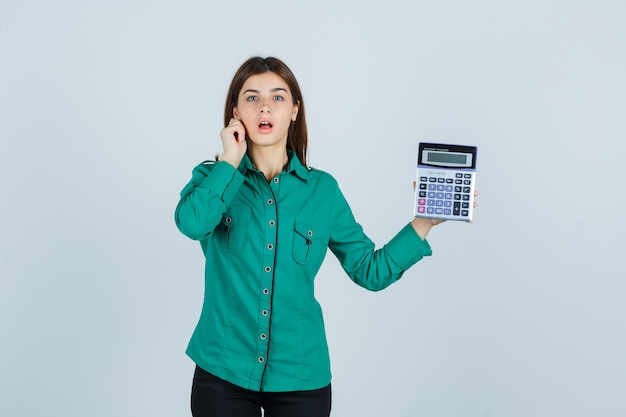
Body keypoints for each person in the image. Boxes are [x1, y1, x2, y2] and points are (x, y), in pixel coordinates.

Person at [174, 56, 476, 417]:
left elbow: (369, 269)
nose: (265, 106)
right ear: (235, 111)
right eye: (252, 97)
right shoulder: (214, 178)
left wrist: (423, 223)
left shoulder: (323, 191)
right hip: (222, 372)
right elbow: (191, 224)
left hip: (302, 377)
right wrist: (230, 160)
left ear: (295, 111)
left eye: (278, 97)